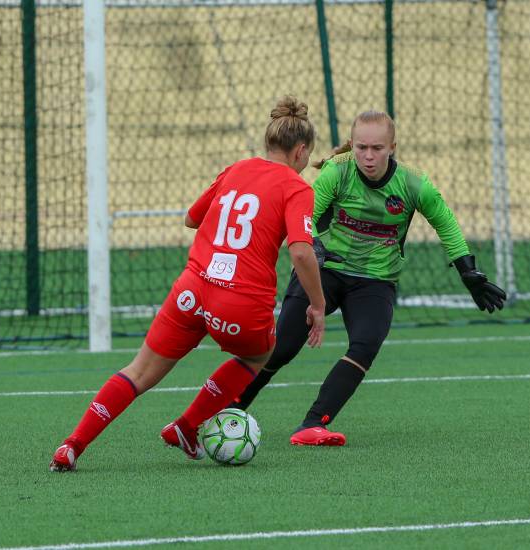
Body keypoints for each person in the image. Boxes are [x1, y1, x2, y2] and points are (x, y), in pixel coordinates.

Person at [49, 96, 326, 471]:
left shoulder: (236, 169)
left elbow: (192, 218)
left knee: (139, 372)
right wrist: (318, 305)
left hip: (192, 289)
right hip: (240, 302)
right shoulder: (297, 187)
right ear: (301, 150)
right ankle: (186, 426)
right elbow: (301, 253)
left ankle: (72, 445)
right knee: (258, 355)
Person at [229, 110, 506, 446]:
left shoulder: (413, 183)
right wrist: (313, 248)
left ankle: (313, 424)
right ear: (352, 146)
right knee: (283, 347)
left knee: (365, 345)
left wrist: (467, 270)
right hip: (325, 270)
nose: (369, 156)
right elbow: (307, 216)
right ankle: (229, 408)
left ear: (392, 147)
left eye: (377, 148)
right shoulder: (337, 171)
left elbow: (444, 222)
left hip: (375, 280)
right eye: (361, 147)